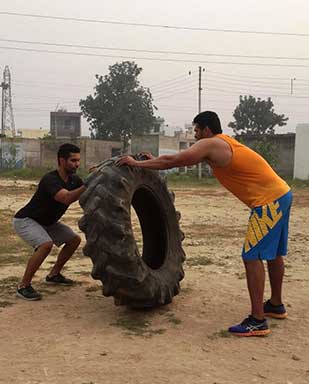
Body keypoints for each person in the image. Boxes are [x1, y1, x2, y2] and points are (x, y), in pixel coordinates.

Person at [117, 111, 292, 337]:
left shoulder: (211, 144)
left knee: (252, 256)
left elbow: (175, 160)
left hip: (269, 202)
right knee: (274, 254)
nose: (195, 135)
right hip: (282, 194)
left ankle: (258, 320)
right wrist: (151, 161)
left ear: (207, 129)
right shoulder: (223, 143)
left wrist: (135, 164)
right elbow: (181, 160)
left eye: (197, 130)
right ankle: (275, 305)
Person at [13, 143, 86, 300]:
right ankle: (23, 286)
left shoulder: (75, 180)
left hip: (47, 222)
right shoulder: (50, 179)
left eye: (78, 160)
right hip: (26, 220)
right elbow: (66, 198)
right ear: (61, 160)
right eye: (73, 160)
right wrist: (88, 184)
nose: (77, 164)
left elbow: (86, 194)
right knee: (45, 245)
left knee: (74, 240)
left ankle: (54, 275)